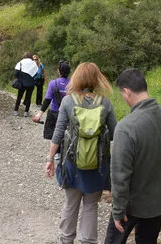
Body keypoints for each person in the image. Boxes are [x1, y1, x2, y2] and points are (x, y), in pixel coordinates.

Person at [103, 68, 161, 244]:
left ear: (126, 91)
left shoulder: (126, 127)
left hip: (132, 204)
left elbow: (120, 175)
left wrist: (118, 211)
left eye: (122, 95)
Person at [45, 62, 117, 244]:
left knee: (71, 203)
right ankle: (88, 241)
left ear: (76, 78)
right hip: (98, 164)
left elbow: (58, 132)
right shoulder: (105, 103)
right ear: (97, 79)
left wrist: (50, 159)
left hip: (72, 162)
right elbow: (116, 133)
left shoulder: (68, 101)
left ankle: (66, 239)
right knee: (91, 205)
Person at [32, 59, 71, 140]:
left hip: (54, 114)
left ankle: (55, 151)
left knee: (53, 137)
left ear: (58, 71)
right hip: (68, 115)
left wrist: (39, 114)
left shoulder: (53, 83)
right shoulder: (73, 84)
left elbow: (47, 100)